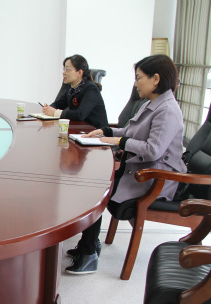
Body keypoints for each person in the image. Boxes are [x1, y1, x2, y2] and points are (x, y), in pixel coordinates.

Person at [66, 54, 186, 274]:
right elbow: (130, 131)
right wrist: (106, 132)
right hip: (138, 170)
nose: (136, 83)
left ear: (156, 79)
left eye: (139, 78)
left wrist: (119, 141)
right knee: (94, 186)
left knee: (96, 191)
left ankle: (89, 252)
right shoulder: (152, 103)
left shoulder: (167, 110)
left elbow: (153, 149)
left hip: (155, 179)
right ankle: (88, 245)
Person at [42, 54, 108, 129]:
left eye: (67, 69)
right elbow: (59, 104)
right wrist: (49, 108)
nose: (63, 73)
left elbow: (80, 114)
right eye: (64, 69)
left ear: (79, 72)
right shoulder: (71, 87)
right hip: (79, 128)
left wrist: (55, 112)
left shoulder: (91, 89)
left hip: (95, 132)